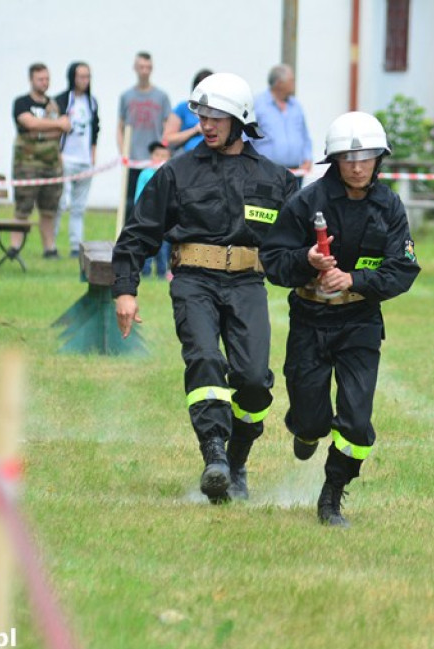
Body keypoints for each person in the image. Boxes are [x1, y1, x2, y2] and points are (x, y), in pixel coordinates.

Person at [112, 73, 297, 504]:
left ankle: (236, 459)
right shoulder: (176, 173)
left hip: (248, 284)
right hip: (193, 281)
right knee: (206, 360)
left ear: (241, 120)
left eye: (218, 116)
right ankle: (213, 454)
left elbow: (298, 241)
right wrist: (126, 289)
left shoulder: (276, 180)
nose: (207, 124)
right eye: (203, 115)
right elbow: (137, 235)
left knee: (254, 381)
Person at [260, 112, 420, 527]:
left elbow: (402, 269)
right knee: (311, 418)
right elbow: (272, 260)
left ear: (378, 160)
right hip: (310, 321)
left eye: (365, 156)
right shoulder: (306, 202)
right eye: (348, 156)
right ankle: (305, 428)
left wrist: (355, 279)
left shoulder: (389, 207)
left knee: (356, 419)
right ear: (333, 159)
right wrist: (306, 260)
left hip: (361, 323)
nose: (357, 165)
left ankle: (332, 496)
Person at [12, 63, 70, 258]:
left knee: (49, 209)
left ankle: (50, 248)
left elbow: (64, 127)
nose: (44, 82)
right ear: (31, 79)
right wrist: (53, 125)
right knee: (23, 208)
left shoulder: (55, 104)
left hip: (52, 164)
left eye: (47, 79)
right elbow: (29, 123)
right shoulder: (21, 102)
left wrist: (43, 128)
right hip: (26, 163)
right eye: (40, 79)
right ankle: (15, 248)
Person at [117, 52, 174, 220]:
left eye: (148, 67)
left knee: (154, 201)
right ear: (135, 68)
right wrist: (123, 153)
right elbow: (119, 127)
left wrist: (164, 153)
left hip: (154, 161)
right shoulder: (126, 96)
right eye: (141, 67)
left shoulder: (161, 97)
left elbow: (168, 126)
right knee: (130, 202)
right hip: (133, 158)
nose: (144, 71)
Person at [56, 61, 100, 257]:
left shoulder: (92, 102)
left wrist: (93, 156)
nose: (85, 80)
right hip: (66, 158)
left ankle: (76, 246)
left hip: (85, 160)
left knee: (78, 207)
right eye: (81, 76)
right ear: (72, 78)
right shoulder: (62, 100)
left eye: (87, 76)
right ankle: (52, 244)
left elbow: (95, 130)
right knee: (60, 203)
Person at [252, 64, 313, 178]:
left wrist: (308, 158)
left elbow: (305, 136)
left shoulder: (296, 106)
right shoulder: (258, 105)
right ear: (279, 83)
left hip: (296, 173)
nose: (294, 83)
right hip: (266, 173)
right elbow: (247, 138)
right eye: (291, 80)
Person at [135, 141, 172, 278]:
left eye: (164, 156)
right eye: (157, 155)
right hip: (147, 219)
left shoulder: (170, 175)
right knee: (146, 246)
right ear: (151, 156)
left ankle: (162, 272)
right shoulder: (145, 174)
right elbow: (139, 195)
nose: (161, 159)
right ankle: (145, 272)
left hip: (165, 221)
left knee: (163, 248)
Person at [166, 69, 212, 153]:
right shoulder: (183, 108)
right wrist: (195, 130)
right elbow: (168, 139)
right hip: (188, 155)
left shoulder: (219, 111)